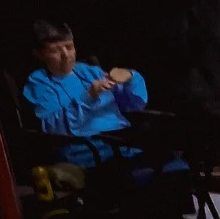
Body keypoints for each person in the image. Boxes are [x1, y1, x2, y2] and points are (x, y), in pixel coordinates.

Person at [22, 19, 171, 176]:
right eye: (55, 51)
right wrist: (89, 96)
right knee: (146, 173)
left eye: (69, 47)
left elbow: (135, 104)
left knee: (174, 165)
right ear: (39, 54)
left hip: (123, 144)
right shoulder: (39, 83)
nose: (66, 55)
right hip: (85, 152)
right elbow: (54, 128)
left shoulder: (89, 72)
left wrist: (130, 78)